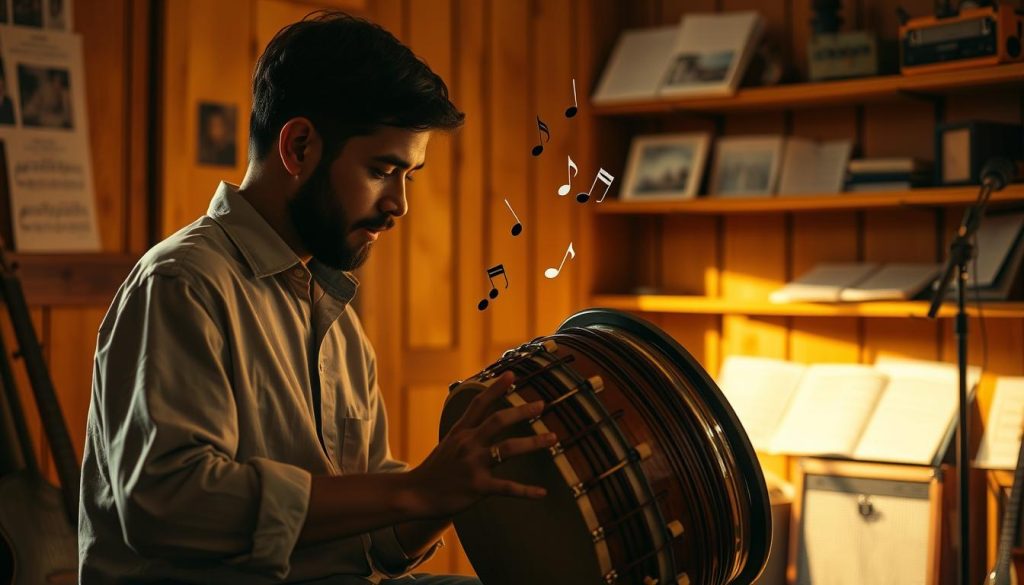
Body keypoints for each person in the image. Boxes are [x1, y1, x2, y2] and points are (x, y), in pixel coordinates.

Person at [78, 11, 555, 585]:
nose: (399, 204)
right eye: (383, 170)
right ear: (300, 146)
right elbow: (166, 507)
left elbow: (373, 537)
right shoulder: (182, 283)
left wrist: (451, 490)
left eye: (411, 177)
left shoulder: (337, 320)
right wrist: (412, 489)